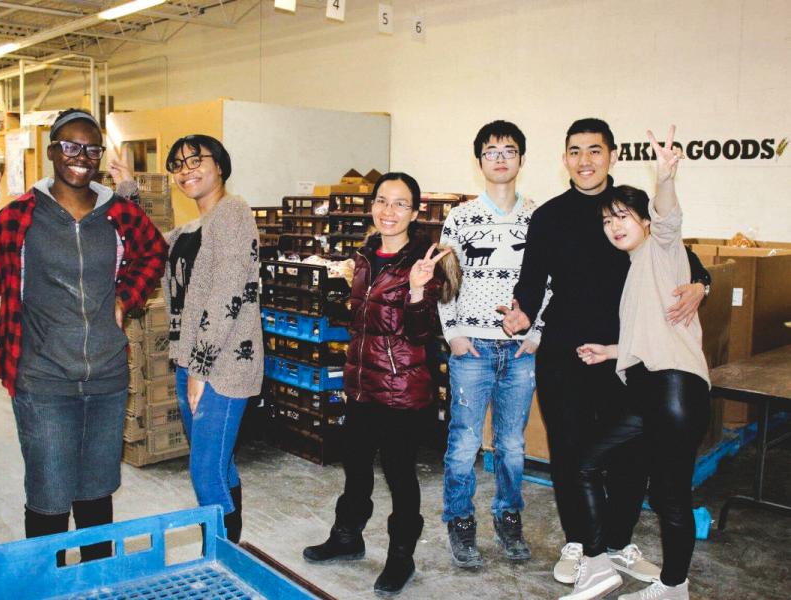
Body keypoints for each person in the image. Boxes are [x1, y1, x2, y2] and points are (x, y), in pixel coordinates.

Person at [500, 118, 711, 585]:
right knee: (571, 452)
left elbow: (680, 250)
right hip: (565, 354)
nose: (585, 160)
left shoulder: (630, 208)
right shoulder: (549, 216)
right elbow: (531, 280)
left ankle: (617, 543)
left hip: (627, 357)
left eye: (594, 150)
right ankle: (581, 544)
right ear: (564, 159)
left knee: (631, 455)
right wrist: (521, 313)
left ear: (612, 155)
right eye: (575, 151)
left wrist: (702, 284)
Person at [0, 108, 167, 561]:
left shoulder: (118, 214)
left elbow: (153, 251)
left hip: (107, 378)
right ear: (52, 151)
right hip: (43, 380)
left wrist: (125, 298)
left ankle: (94, 583)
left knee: (96, 495)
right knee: (49, 497)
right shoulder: (21, 215)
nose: (81, 157)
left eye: (91, 149)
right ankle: (46, 583)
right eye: (70, 146)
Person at [563, 126, 710, 600]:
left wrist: (664, 178)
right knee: (647, 487)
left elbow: (669, 220)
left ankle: (658, 583)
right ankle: (624, 573)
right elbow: (646, 334)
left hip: (673, 388)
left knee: (663, 493)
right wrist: (610, 352)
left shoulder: (661, 251)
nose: (614, 226)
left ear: (645, 221)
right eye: (608, 220)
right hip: (652, 390)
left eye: (623, 216)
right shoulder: (636, 272)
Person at [303, 172, 456, 597]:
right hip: (361, 383)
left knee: (399, 474)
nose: (389, 211)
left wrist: (418, 291)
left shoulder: (422, 263)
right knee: (355, 466)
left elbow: (422, 333)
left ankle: (401, 557)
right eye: (382, 201)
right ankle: (347, 537)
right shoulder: (366, 257)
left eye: (400, 203)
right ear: (372, 206)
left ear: (415, 212)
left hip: (401, 389)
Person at [438, 120, 549, 566]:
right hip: (472, 350)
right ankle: (460, 521)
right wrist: (453, 333)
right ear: (479, 160)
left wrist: (537, 332)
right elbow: (446, 280)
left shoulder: (539, 217)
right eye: (491, 151)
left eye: (509, 151)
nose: (500, 158)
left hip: (519, 351)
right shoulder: (461, 217)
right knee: (465, 442)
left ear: (521, 159)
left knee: (512, 444)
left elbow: (552, 283)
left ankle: (508, 516)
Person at [159, 134, 262, 543]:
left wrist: (199, 370)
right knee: (219, 464)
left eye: (195, 160)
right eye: (178, 164)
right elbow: (147, 246)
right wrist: (129, 189)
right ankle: (230, 548)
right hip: (192, 360)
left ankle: (219, 554)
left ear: (219, 165)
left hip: (223, 365)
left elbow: (227, 294)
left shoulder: (233, 213)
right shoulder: (190, 228)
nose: (186, 170)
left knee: (204, 472)